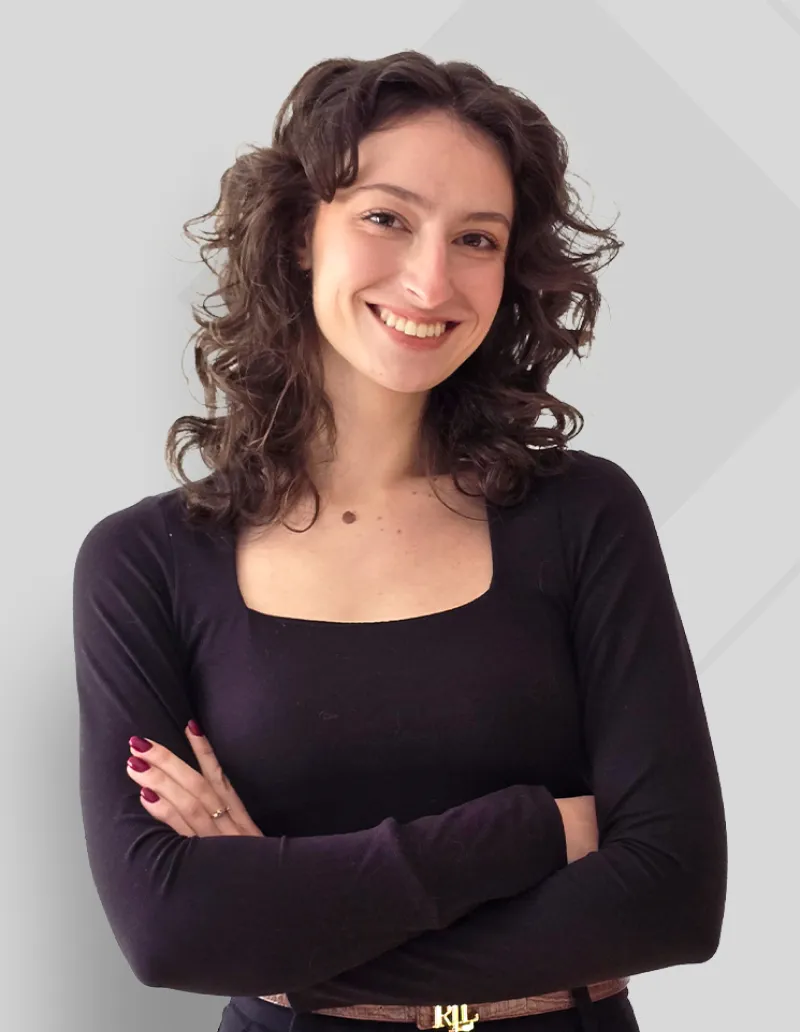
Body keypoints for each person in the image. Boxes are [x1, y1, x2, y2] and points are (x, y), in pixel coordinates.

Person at [72, 51, 727, 1032]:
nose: (429, 278)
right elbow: (170, 932)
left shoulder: (583, 518)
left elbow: (672, 900)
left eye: (476, 238)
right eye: (385, 218)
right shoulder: (147, 564)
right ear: (300, 230)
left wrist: (288, 930)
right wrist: (535, 829)